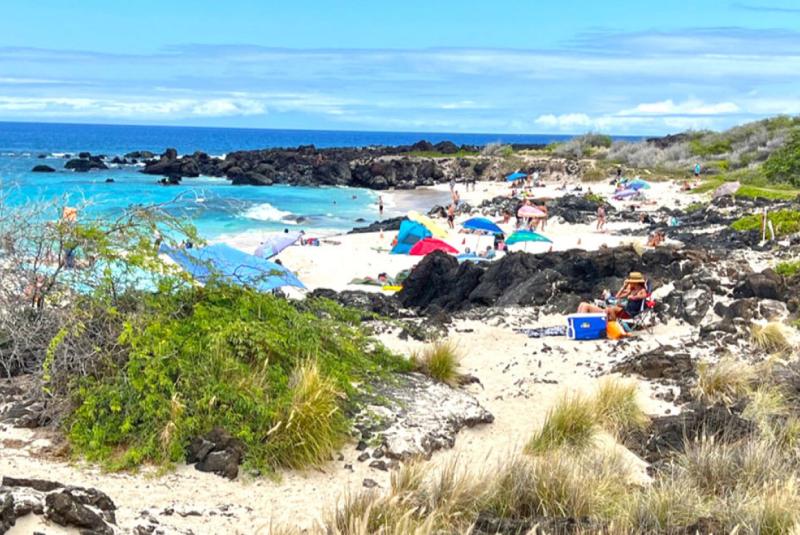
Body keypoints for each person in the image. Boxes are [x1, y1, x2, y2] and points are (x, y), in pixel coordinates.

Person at [576, 272, 648, 321]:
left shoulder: (642, 290)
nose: (629, 283)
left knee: (610, 309)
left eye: (630, 281)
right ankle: (578, 323)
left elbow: (644, 296)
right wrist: (623, 287)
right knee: (583, 304)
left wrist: (634, 297)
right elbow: (617, 297)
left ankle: (611, 325)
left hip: (629, 312)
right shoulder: (632, 290)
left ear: (635, 282)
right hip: (623, 309)